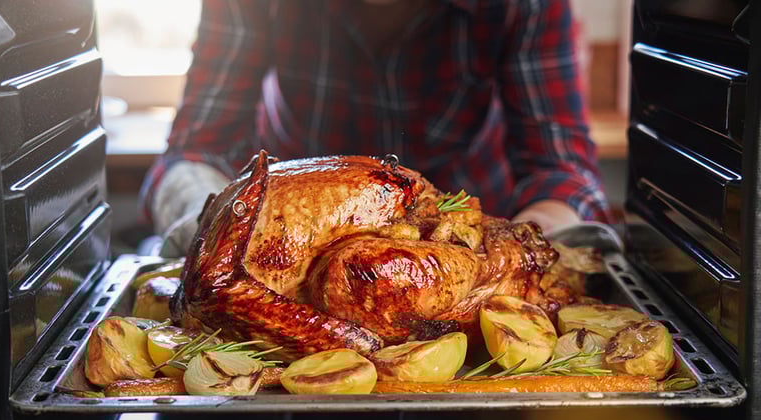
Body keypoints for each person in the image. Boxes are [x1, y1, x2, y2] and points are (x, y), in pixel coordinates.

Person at [140, 0, 612, 257]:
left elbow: (561, 171)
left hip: (473, 245)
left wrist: (527, 249)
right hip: (284, 243)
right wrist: (212, 228)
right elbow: (196, 153)